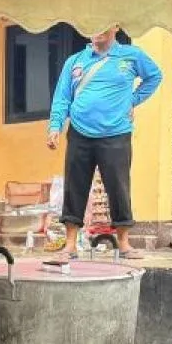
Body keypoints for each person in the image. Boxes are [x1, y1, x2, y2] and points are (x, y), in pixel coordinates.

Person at [47, 26, 163, 259]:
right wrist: (55, 126)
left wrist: (132, 100)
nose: (97, 30)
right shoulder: (75, 62)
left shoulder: (132, 55)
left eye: (104, 25)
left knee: (118, 187)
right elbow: (62, 98)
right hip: (79, 132)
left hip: (116, 133)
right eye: (93, 25)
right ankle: (70, 245)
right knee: (74, 187)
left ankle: (124, 243)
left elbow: (155, 76)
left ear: (116, 27)